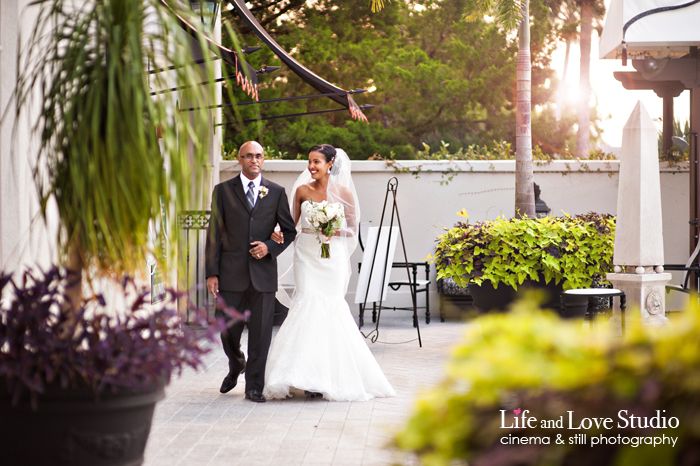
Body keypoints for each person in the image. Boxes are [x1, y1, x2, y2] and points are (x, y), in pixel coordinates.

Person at [263, 144, 396, 401]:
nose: (311, 167)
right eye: (309, 162)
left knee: (330, 309)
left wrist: (332, 231)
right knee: (306, 305)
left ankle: (326, 377)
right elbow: (292, 225)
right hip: (307, 255)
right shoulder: (301, 191)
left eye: (316, 162)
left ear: (330, 163)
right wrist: (276, 233)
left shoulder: (344, 191)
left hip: (331, 258)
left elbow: (352, 229)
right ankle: (297, 374)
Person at [205, 141, 296, 403]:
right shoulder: (222, 191)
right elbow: (214, 234)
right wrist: (212, 273)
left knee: (261, 334)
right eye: (248, 156)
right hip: (230, 274)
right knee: (227, 330)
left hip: (263, 276)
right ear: (239, 159)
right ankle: (236, 363)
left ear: (263, 160)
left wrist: (269, 248)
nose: (253, 160)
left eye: (258, 156)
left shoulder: (276, 192)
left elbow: (288, 231)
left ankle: (253, 386)